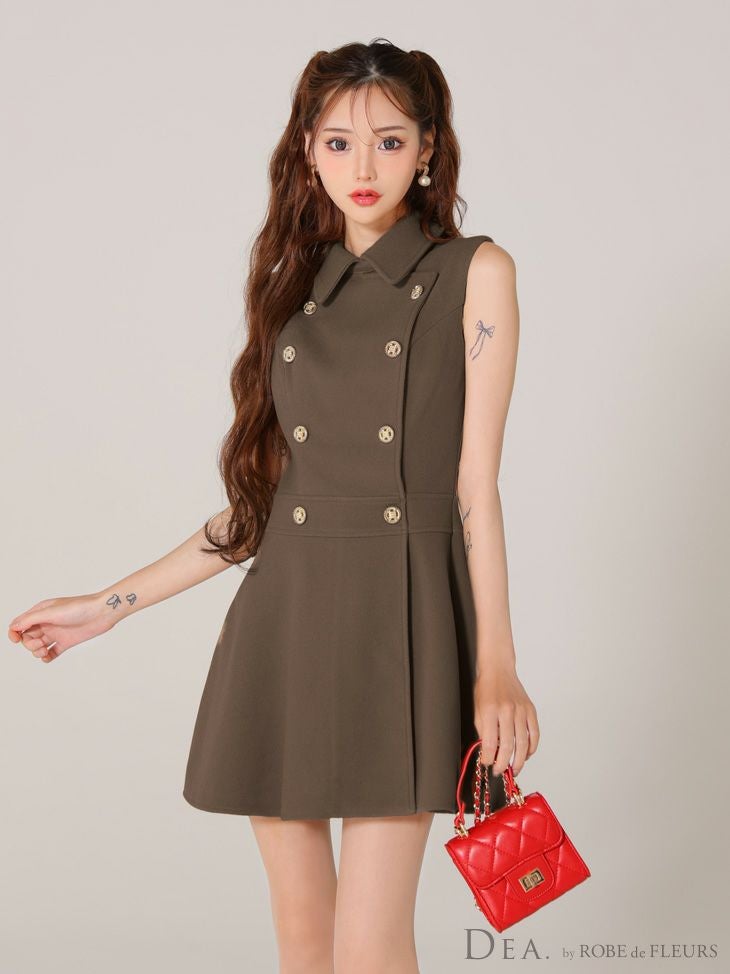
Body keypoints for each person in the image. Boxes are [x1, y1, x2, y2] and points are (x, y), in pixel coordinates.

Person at [8, 38, 539, 974]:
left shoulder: (474, 272)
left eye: (389, 140)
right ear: (307, 151)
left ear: (428, 148)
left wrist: (496, 664)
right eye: (338, 142)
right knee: (303, 942)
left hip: (401, 619)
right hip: (285, 622)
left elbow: (473, 489)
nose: (363, 165)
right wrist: (107, 606)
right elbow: (261, 508)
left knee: (369, 948)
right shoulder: (293, 289)